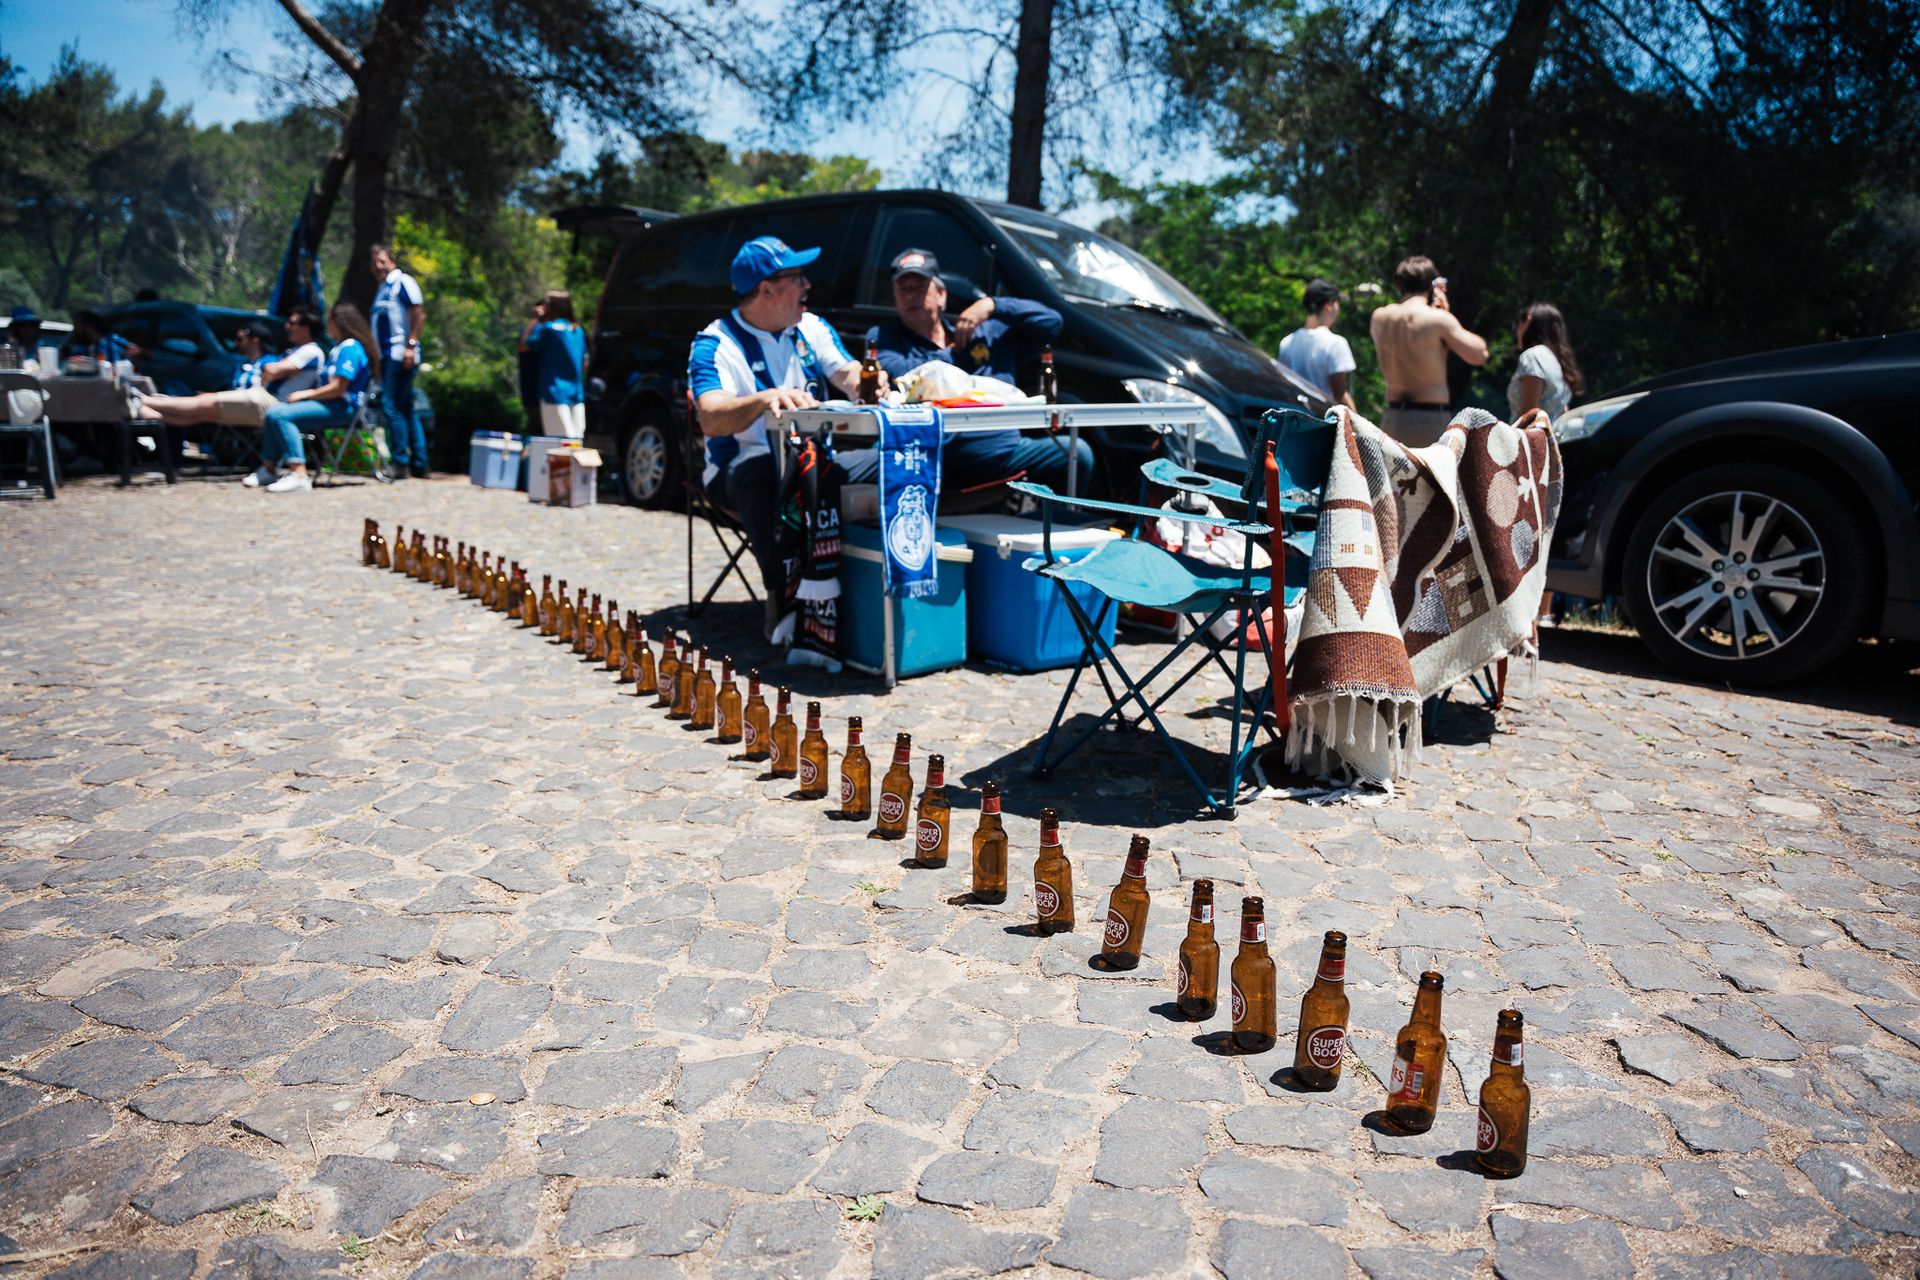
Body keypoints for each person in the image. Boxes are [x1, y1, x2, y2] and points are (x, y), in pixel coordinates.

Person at [690, 235, 883, 632]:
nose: (808, 286)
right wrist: (763, 400)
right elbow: (710, 417)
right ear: (766, 290)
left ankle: (876, 593)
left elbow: (845, 371)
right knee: (763, 471)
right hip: (740, 471)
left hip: (818, 464)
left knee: (895, 460)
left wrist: (868, 381)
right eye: (797, 277)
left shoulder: (809, 325)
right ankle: (784, 598)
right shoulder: (716, 342)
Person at [866, 247, 1092, 493]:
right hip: (935, 458)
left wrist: (992, 305)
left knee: (1076, 453)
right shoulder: (884, 338)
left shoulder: (988, 333)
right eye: (903, 289)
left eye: (919, 287)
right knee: (871, 458)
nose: (911, 296)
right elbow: (905, 373)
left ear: (941, 294)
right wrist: (955, 351)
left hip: (1005, 454)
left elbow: (1051, 323)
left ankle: (1045, 525)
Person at [133, 309, 327, 434]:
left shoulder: (310, 350)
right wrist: (271, 371)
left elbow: (273, 371)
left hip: (272, 402)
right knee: (200, 414)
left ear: (306, 328)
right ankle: (143, 410)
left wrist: (272, 370)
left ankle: (141, 400)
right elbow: (271, 372)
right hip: (265, 398)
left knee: (205, 402)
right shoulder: (293, 352)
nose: (287, 327)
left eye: (292, 323)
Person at [253, 303, 376, 494]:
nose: (328, 326)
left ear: (340, 323)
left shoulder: (350, 348)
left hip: (342, 407)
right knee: (274, 412)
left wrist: (305, 394)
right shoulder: (339, 348)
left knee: (280, 416)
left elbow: (339, 387)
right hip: (330, 404)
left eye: (331, 321)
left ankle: (299, 475)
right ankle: (268, 470)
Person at [1368, 256, 1488, 446]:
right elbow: (1479, 355)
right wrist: (1445, 315)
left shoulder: (1380, 318)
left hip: (1392, 420)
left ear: (1400, 286)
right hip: (1429, 422)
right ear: (1431, 286)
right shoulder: (1438, 320)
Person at [369, 243, 427, 478]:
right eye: (374, 262)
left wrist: (410, 345)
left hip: (399, 353)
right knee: (405, 409)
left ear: (392, 260)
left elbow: (418, 313)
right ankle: (421, 463)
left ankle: (400, 462)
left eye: (382, 260)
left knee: (390, 406)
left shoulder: (403, 281)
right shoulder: (383, 288)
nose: (378, 266)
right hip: (387, 356)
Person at [1277, 279, 1357, 412]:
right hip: (1323, 422)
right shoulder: (1335, 343)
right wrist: (1360, 427)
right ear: (1329, 305)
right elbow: (1339, 394)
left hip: (1293, 421)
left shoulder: (1286, 342)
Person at [518, 291, 588, 440]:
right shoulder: (577, 330)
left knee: (559, 445)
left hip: (554, 394)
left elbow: (523, 346)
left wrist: (536, 320)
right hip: (576, 394)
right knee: (576, 443)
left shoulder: (548, 329)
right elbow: (585, 364)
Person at [1507, 302, 1582, 424]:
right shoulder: (1557, 360)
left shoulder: (1532, 356)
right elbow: (1563, 410)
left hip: (1534, 441)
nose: (1517, 329)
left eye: (1519, 322)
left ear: (1528, 320)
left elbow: (1529, 416)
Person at [60, 311, 140, 366]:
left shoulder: (111, 343)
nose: (75, 330)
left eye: (77, 325)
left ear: (88, 327)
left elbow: (110, 369)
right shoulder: (87, 347)